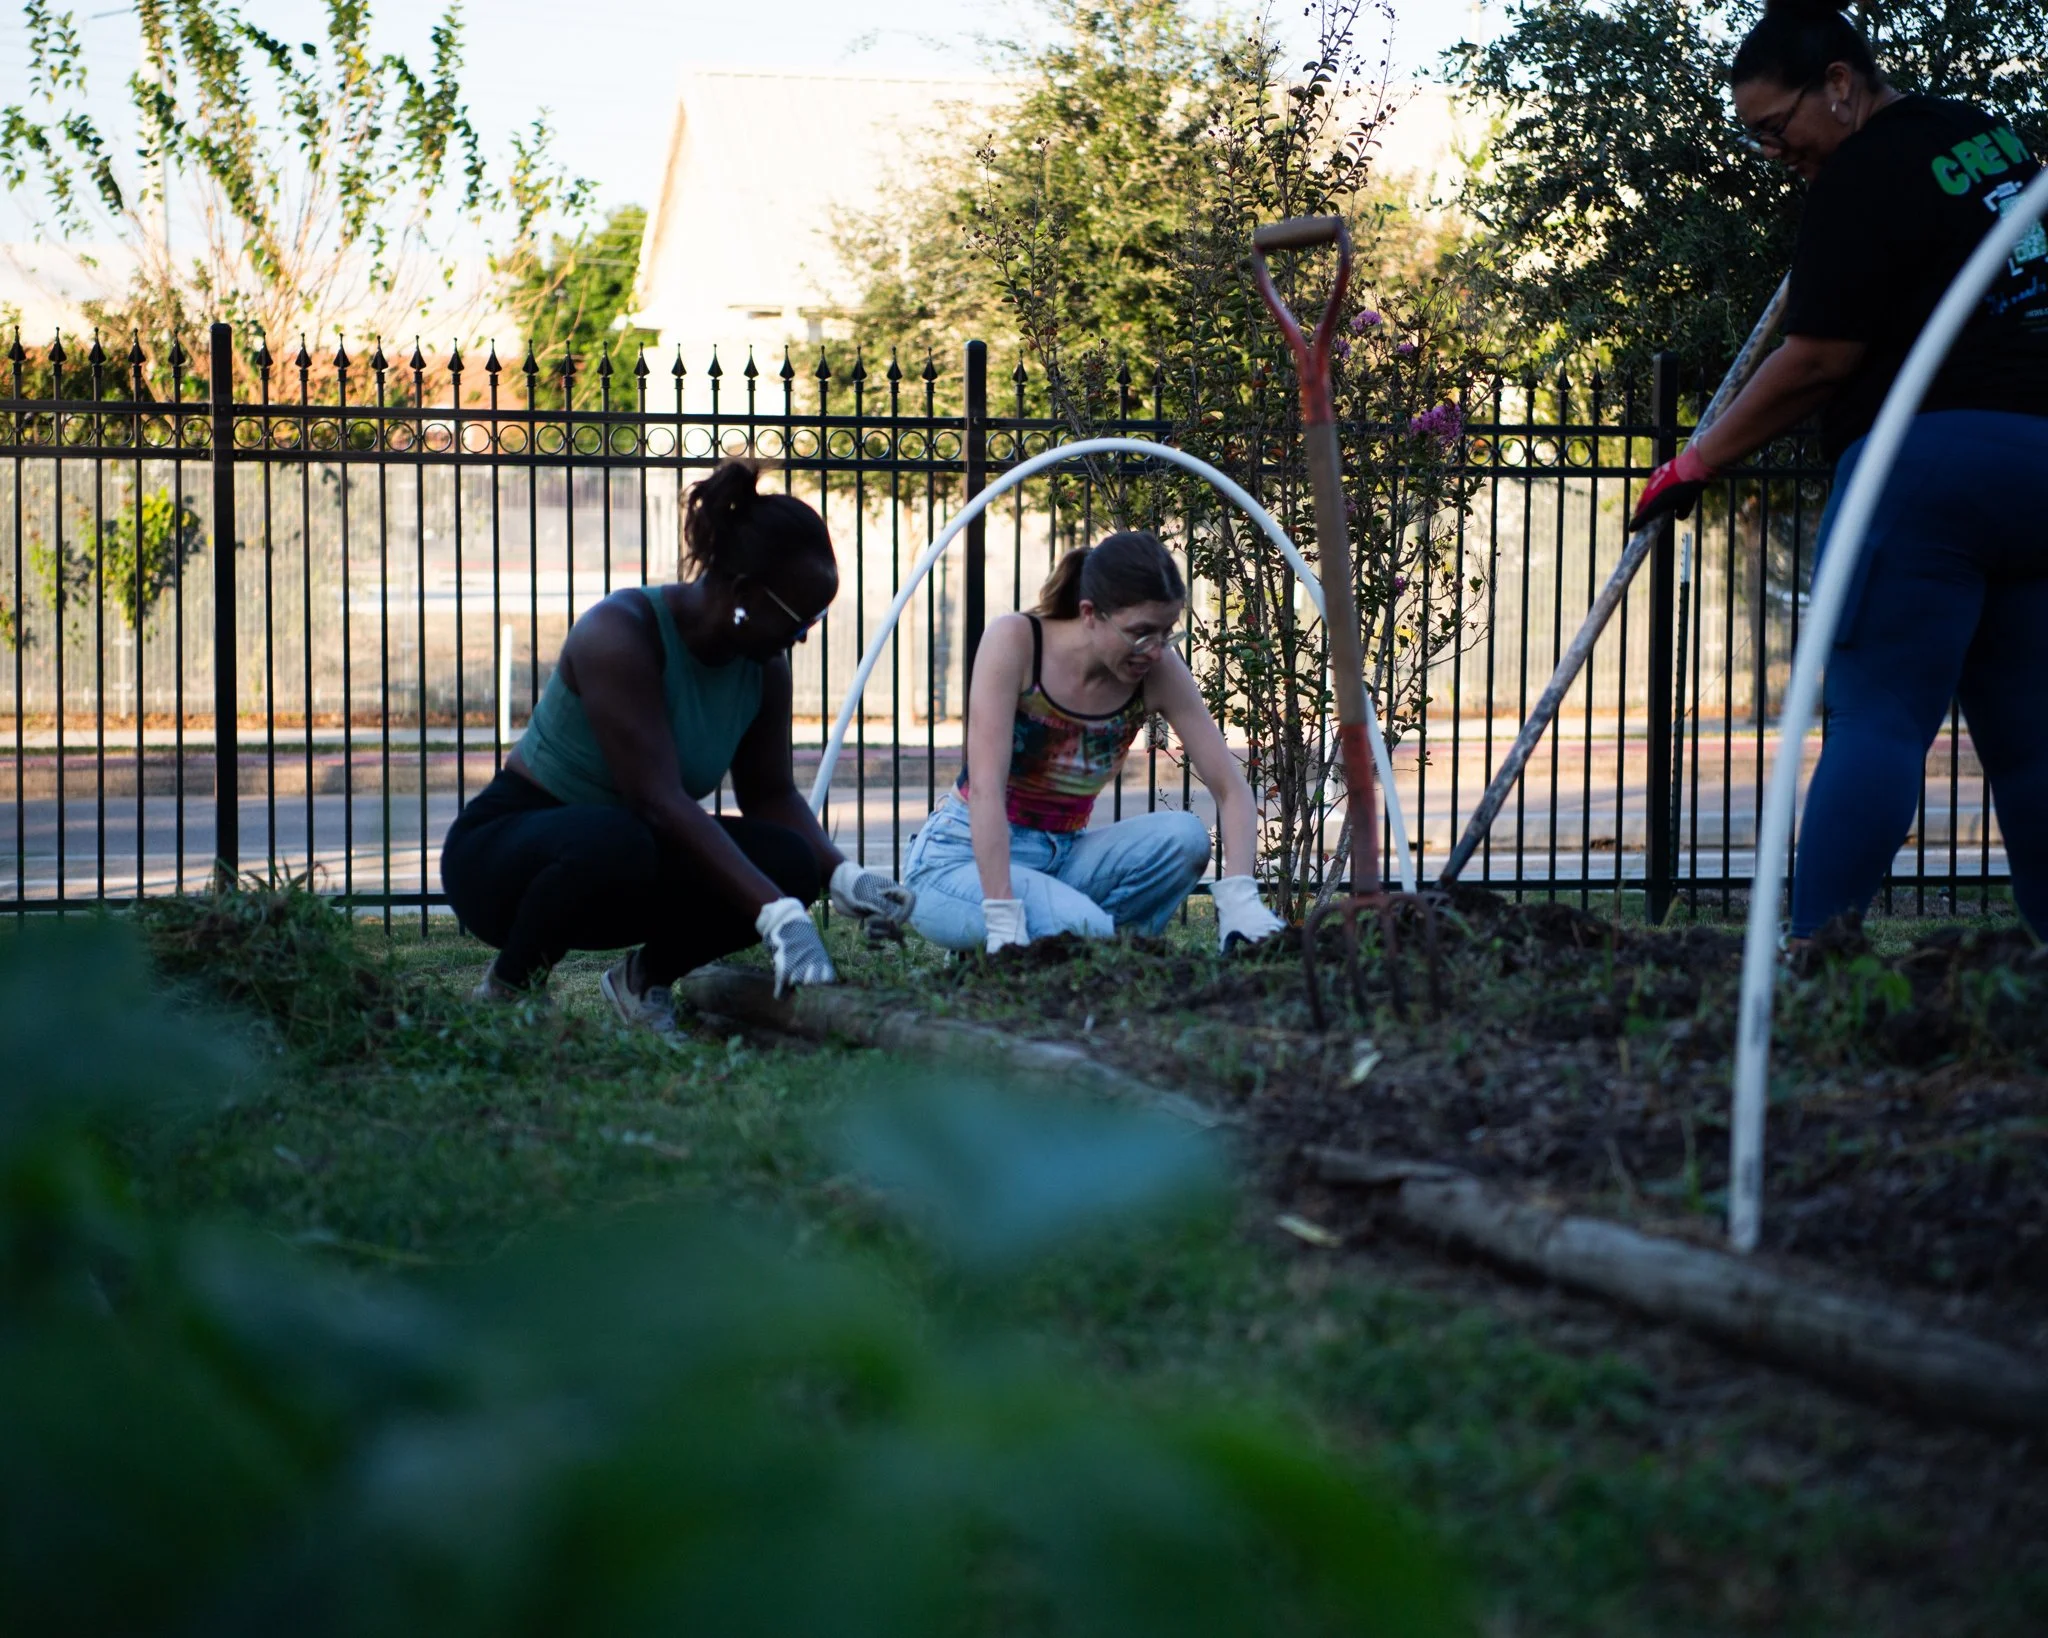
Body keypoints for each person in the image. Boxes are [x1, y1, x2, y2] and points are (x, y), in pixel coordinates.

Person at [1631, 0, 2048, 938]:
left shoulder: (1860, 172)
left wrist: (1696, 461)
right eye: (1755, 140)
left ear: (1840, 84)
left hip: (1928, 462)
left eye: (1776, 129)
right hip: (2038, 466)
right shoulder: (1985, 137)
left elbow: (1820, 359)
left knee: (1879, 717)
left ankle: (1811, 953)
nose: (1774, 153)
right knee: (2033, 748)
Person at [440, 460, 914, 1035]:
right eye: (799, 618)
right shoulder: (620, 633)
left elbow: (771, 794)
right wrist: (777, 915)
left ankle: (641, 981)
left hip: (628, 852)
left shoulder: (763, 668)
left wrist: (841, 876)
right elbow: (657, 800)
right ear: (742, 593)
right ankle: (508, 990)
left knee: (789, 860)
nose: (804, 635)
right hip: (509, 861)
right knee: (621, 839)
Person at [905, 529, 1286, 954]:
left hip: (1064, 855)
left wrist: (1239, 900)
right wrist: (1003, 920)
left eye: (1166, 632)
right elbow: (986, 792)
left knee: (1185, 838)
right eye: (1142, 632)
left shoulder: (1157, 672)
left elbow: (1231, 791)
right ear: (1090, 614)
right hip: (959, 864)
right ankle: (1023, 948)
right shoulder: (1017, 643)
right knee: (1082, 930)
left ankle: (1101, 957)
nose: (1156, 650)